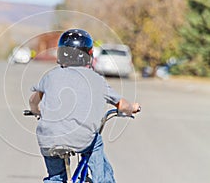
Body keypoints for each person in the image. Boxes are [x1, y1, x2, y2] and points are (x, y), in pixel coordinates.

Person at [29, 29, 140, 182]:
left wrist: (37, 112)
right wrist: (132, 108)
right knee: (96, 142)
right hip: (82, 139)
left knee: (55, 177)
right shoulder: (96, 79)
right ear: (89, 54)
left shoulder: (51, 76)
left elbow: (33, 101)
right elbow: (122, 105)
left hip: (48, 138)